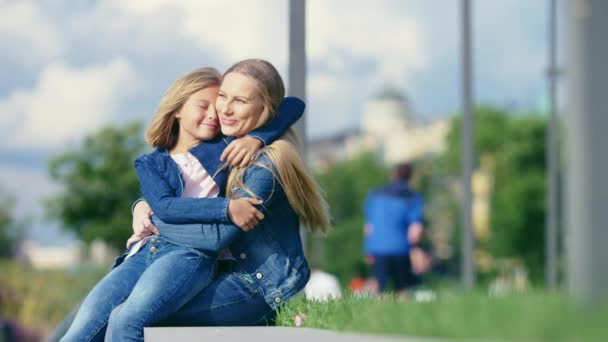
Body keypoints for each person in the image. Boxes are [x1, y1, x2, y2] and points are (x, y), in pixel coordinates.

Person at [49, 59, 329, 341]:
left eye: (239, 100)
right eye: (222, 97)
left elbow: (218, 235)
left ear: (265, 109)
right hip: (193, 262)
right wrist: (143, 205)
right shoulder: (214, 147)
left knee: (129, 318)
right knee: (84, 326)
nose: (222, 110)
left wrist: (158, 218)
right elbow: (178, 191)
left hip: (255, 281)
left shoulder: (263, 162)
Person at [363, 163, 425, 294]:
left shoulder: (374, 195)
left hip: (377, 247)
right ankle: (404, 312)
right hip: (400, 248)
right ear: (411, 177)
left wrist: (368, 250)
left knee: (377, 283)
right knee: (403, 287)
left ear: (393, 175)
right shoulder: (412, 197)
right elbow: (415, 230)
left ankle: (370, 310)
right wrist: (416, 251)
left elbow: (368, 227)